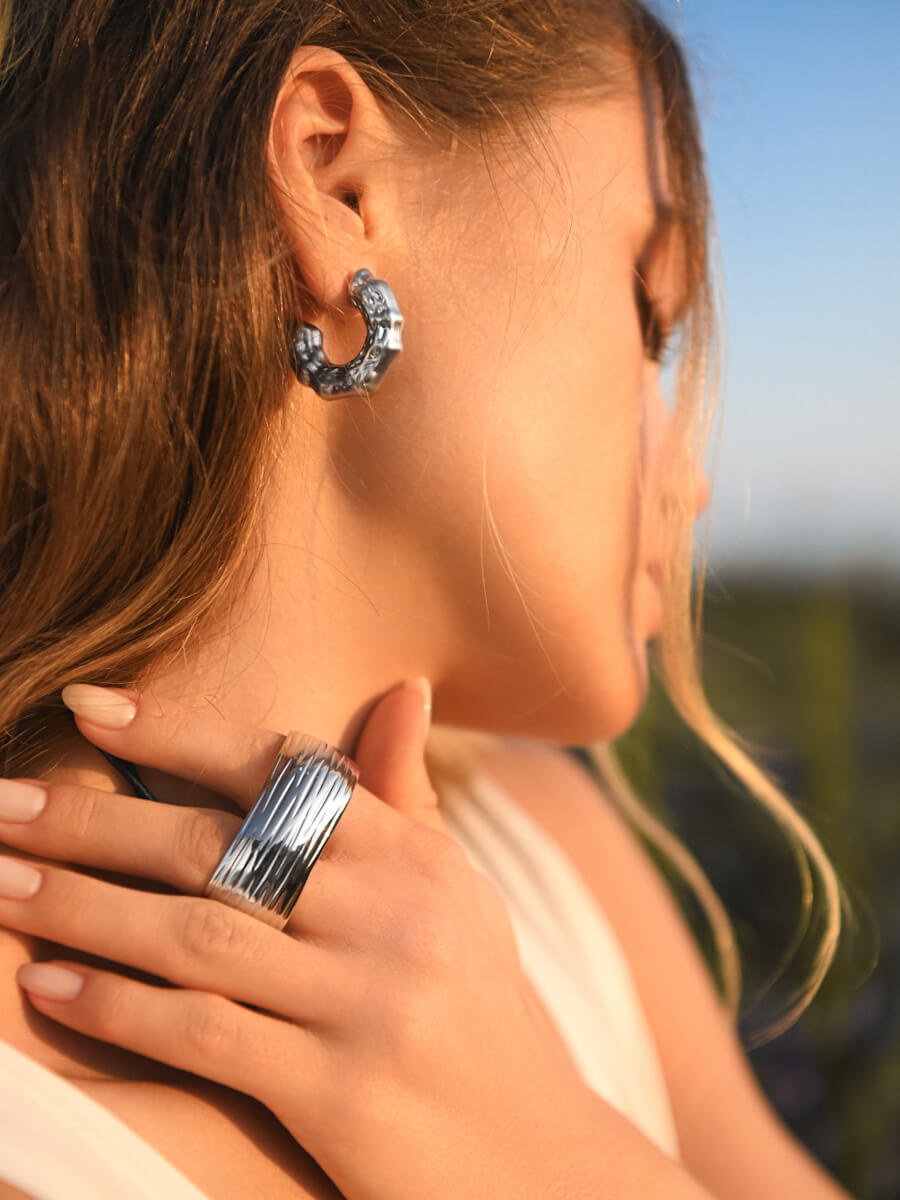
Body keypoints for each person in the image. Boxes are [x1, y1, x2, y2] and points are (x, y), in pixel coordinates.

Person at [0, 1, 853, 1197]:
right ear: (333, 183)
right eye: (648, 314)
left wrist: (544, 1149)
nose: (692, 476)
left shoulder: (539, 854)